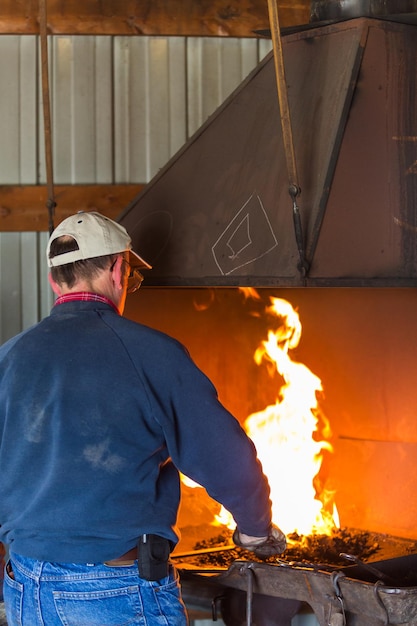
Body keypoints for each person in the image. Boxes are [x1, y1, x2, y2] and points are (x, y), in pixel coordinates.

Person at [0, 211, 286, 625]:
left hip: (25, 583)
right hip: (113, 590)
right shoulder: (151, 354)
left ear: (54, 280)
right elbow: (224, 457)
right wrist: (255, 526)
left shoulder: (9, 358)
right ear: (118, 269)